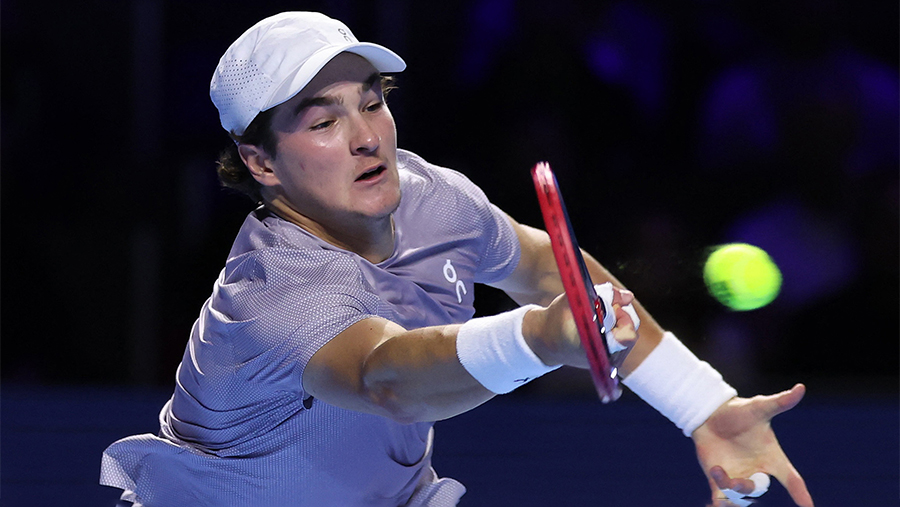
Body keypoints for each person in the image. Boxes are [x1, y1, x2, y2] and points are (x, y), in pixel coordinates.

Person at [100, 11, 814, 507]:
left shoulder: (432, 199)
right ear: (261, 163)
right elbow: (388, 379)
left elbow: (548, 268)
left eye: (372, 102)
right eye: (323, 121)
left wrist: (703, 405)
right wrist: (539, 337)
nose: (366, 136)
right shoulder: (271, 293)